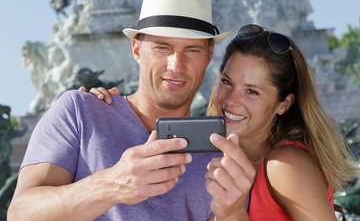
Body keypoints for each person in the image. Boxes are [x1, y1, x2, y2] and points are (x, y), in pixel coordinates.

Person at [7, 0, 236, 220]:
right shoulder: (79, 111)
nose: (176, 66)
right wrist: (112, 184)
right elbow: (20, 214)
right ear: (136, 50)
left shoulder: (221, 153)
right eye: (162, 48)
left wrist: (235, 212)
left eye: (192, 50)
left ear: (209, 55)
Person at [91, 24, 359, 220]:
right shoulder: (217, 155)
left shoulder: (285, 165)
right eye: (227, 82)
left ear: (283, 104)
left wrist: (233, 214)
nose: (231, 101)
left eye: (252, 91)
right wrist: (109, 106)